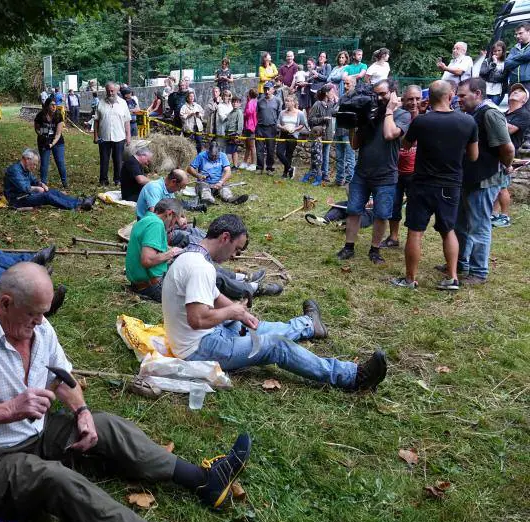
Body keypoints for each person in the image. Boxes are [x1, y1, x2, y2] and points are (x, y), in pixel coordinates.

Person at [0, 262, 252, 522]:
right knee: (56, 479)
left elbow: (62, 377)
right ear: (5, 302)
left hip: (33, 434)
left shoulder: (39, 328)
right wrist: (10, 409)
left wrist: (80, 410)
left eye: (44, 313)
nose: (41, 322)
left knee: (106, 426)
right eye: (33, 314)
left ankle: (203, 480)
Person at [161, 213, 388, 389]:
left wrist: (238, 312)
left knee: (258, 327)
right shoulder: (200, 268)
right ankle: (352, 377)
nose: (234, 256)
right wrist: (234, 313)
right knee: (274, 346)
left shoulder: (193, 255)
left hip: (205, 335)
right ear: (225, 238)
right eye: (236, 249)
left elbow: (213, 296)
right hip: (198, 349)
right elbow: (197, 319)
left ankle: (308, 325)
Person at [391, 80, 478, 290]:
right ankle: (452, 278)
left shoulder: (422, 122)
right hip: (451, 184)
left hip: (421, 183)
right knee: (448, 230)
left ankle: (410, 279)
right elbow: (473, 156)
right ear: (451, 96)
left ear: (428, 98)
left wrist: (418, 116)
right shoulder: (468, 122)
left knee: (415, 231)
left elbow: (405, 145)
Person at [127, 199, 276, 302]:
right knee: (209, 275)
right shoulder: (156, 224)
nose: (173, 226)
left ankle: (242, 278)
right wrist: (170, 254)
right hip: (153, 287)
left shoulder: (146, 220)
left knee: (203, 264)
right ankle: (253, 288)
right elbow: (147, 260)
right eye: (175, 220)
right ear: (169, 213)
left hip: (145, 282)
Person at [337, 80, 410, 264]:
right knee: (353, 210)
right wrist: (354, 123)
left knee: (381, 214)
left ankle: (374, 250)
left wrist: (390, 110)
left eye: (384, 93)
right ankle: (349, 247)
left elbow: (389, 134)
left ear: (393, 93)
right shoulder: (369, 114)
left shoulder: (402, 115)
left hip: (386, 176)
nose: (379, 98)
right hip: (362, 173)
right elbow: (355, 145)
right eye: (376, 94)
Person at [453, 78, 514, 285]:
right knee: (460, 223)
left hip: (485, 179)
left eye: (462, 95)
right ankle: (461, 263)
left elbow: (508, 148)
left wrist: (505, 167)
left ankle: (479, 272)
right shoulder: (473, 113)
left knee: (479, 226)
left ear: (477, 94)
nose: (458, 99)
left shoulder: (490, 113)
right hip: (469, 178)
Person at [382, 85, 422, 249]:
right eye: (410, 99)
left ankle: (414, 241)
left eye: (417, 99)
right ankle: (393, 237)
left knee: (416, 207)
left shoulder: (427, 118)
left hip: (416, 172)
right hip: (395, 169)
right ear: (403, 100)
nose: (414, 102)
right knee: (394, 205)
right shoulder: (396, 117)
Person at [4, 148, 94, 211]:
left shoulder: (25, 168)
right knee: (46, 196)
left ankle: (80, 201)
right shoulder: (14, 170)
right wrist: (36, 188)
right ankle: (77, 206)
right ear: (27, 159)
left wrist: (41, 184)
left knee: (52, 191)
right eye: (34, 164)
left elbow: (34, 180)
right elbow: (24, 188)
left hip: (26, 195)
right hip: (17, 200)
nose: (35, 167)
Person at [494, 83, 530, 227]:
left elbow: (508, 130)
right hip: (498, 153)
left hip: (507, 154)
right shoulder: (505, 114)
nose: (515, 92)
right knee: (497, 185)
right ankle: (494, 214)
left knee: (502, 186)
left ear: (525, 100)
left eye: (520, 91)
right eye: (514, 90)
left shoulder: (524, 114)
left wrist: (493, 122)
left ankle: (505, 216)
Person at [187, 140, 248, 205]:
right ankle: (207, 200)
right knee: (204, 191)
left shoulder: (223, 156)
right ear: (208, 152)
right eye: (211, 156)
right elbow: (190, 169)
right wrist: (198, 175)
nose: (213, 158)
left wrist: (221, 182)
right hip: (204, 183)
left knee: (225, 190)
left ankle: (232, 199)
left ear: (219, 152)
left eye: (215, 156)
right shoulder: (201, 155)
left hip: (218, 184)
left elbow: (228, 171)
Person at [94, 81, 131, 186]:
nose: (110, 93)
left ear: (117, 90)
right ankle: (103, 180)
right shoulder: (100, 103)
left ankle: (118, 180)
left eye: (112, 91)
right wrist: (95, 136)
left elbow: (127, 121)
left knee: (118, 160)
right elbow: (96, 121)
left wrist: (128, 136)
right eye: (108, 91)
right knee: (104, 160)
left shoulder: (123, 103)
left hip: (119, 136)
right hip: (104, 137)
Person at [34, 96, 68, 188]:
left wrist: (52, 144)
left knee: (60, 162)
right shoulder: (41, 115)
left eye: (55, 105)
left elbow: (58, 134)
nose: (54, 107)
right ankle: (43, 184)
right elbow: (36, 128)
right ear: (47, 106)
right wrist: (41, 135)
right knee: (44, 163)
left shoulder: (58, 115)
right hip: (44, 141)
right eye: (52, 105)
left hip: (57, 141)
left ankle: (65, 183)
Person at [333, 74, 357, 186]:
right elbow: (333, 111)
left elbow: (354, 115)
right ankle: (339, 180)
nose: (346, 86)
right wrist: (341, 113)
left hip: (350, 133)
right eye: (345, 84)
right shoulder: (342, 97)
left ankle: (350, 181)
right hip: (338, 130)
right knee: (339, 157)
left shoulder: (357, 98)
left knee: (350, 158)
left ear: (354, 84)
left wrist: (341, 113)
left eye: (348, 84)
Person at [276, 95, 308, 179]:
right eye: (286, 101)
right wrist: (283, 127)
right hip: (283, 135)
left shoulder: (299, 113)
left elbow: (302, 124)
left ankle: (285, 173)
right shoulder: (282, 112)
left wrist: (295, 129)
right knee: (279, 152)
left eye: (289, 101)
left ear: (293, 102)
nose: (287, 102)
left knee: (288, 155)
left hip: (293, 135)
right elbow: (278, 123)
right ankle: (290, 168)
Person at [256, 81, 282, 174]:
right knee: (259, 149)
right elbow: (256, 113)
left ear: (273, 90)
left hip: (272, 128)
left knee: (270, 149)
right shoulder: (259, 101)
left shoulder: (278, 100)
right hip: (260, 127)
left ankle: (269, 168)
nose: (266, 91)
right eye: (265, 89)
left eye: (268, 89)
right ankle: (259, 167)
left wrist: (278, 127)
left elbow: (280, 114)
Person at [480, 41, 508, 105]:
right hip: (486, 90)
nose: (497, 53)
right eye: (495, 51)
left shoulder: (506, 63)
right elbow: (482, 72)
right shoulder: (487, 61)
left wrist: (489, 77)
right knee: (484, 108)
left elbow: (503, 77)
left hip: (498, 91)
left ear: (503, 51)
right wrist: (494, 63)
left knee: (494, 109)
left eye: (499, 50)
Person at [505, 24, 530, 92]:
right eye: (516, 34)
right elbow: (507, 64)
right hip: (514, 83)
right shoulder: (514, 48)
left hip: (527, 83)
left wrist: (514, 58)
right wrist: (523, 58)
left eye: (520, 33)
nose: (518, 36)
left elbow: (528, 55)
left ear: (529, 32)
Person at [224, 95, 245, 168]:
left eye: (237, 102)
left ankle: (229, 166)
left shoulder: (239, 112)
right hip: (229, 134)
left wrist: (238, 134)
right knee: (233, 151)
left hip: (234, 134)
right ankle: (234, 165)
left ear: (240, 104)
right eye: (233, 102)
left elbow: (240, 124)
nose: (235, 104)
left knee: (230, 151)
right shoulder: (231, 112)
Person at [241, 89, 257, 170]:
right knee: (247, 146)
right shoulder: (252, 101)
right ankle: (244, 162)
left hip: (251, 127)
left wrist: (243, 114)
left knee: (252, 146)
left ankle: (254, 164)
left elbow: (249, 112)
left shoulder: (251, 102)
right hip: (248, 126)